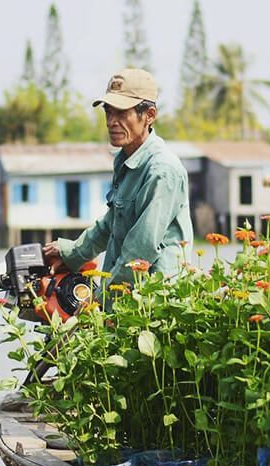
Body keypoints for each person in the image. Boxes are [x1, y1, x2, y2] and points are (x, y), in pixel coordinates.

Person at [43, 68, 193, 297]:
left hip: (155, 302)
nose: (112, 122)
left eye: (122, 114)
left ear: (150, 115)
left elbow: (140, 250)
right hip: (129, 297)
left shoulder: (162, 170)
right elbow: (111, 224)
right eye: (109, 113)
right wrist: (70, 253)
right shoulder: (126, 160)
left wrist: (101, 304)